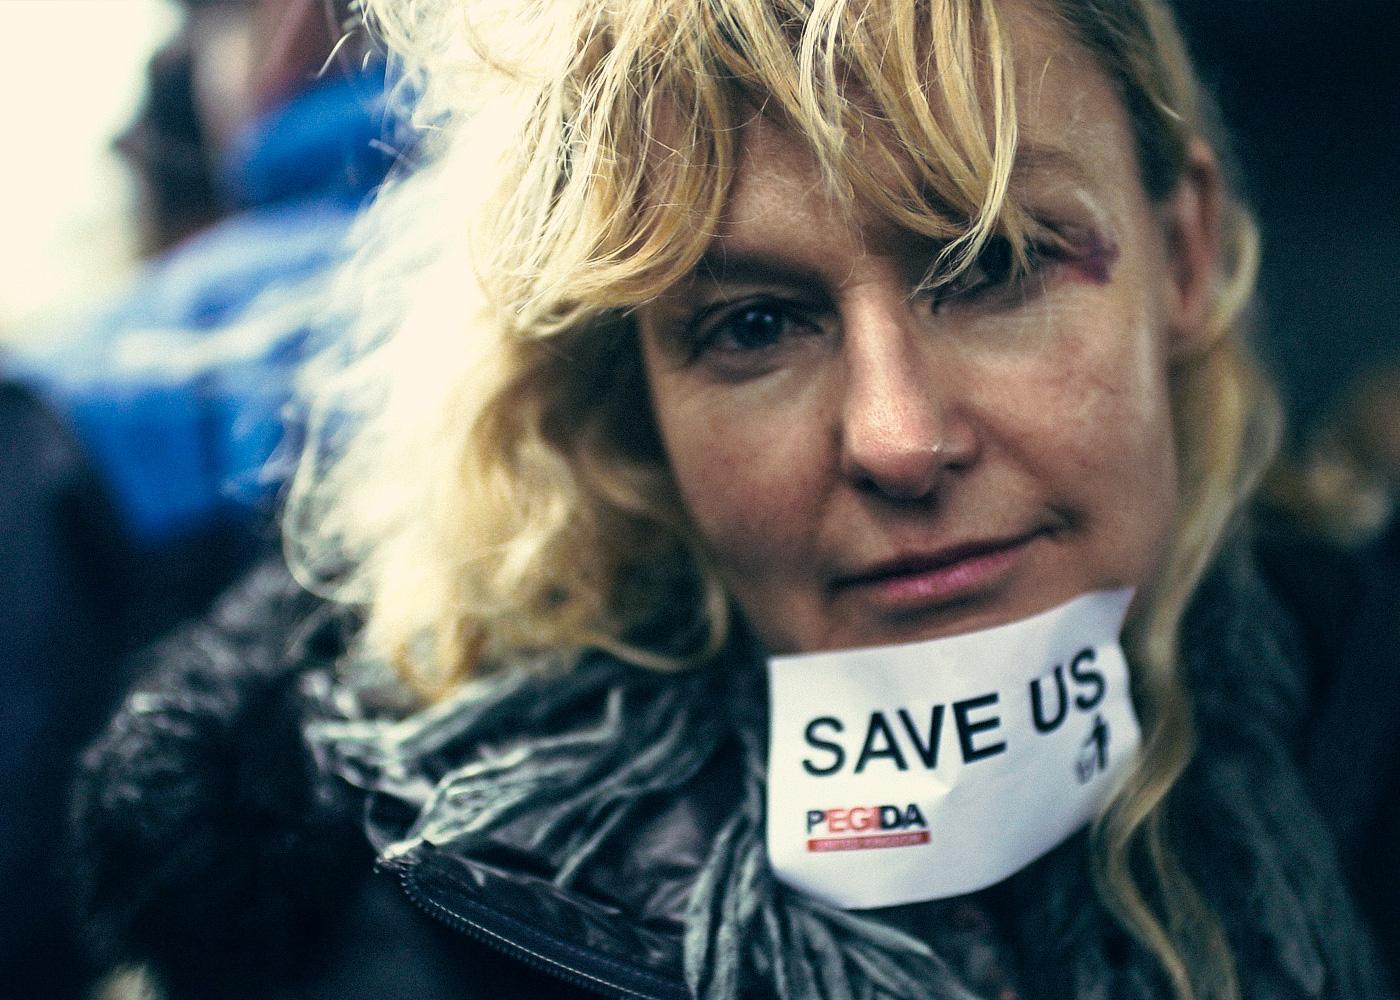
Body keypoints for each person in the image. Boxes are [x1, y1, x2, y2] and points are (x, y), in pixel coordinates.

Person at [70, 1, 1393, 998]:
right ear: (629, 398)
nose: (896, 436)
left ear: (1183, 250)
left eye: (991, 263)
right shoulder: (394, 922)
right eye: (755, 324)